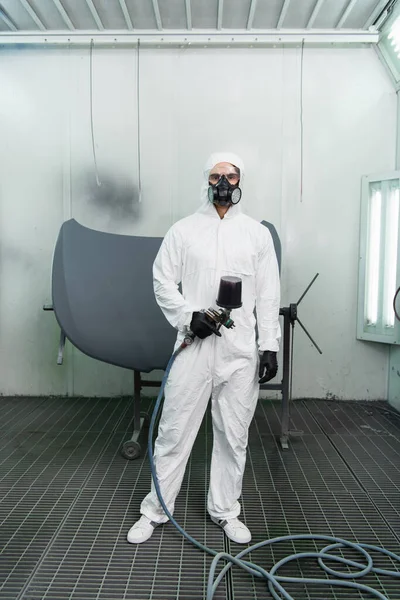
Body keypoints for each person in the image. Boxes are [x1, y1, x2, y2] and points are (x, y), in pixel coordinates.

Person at [127, 152, 281, 545]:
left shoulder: (257, 234)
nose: (224, 183)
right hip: (194, 344)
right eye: (217, 176)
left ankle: (225, 510)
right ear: (207, 181)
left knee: (233, 434)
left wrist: (269, 345)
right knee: (174, 430)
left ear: (241, 180)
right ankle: (156, 510)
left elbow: (267, 294)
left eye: (231, 175)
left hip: (240, 349)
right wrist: (187, 315)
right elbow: (162, 281)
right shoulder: (183, 231)